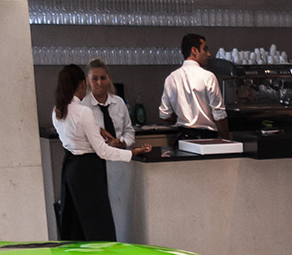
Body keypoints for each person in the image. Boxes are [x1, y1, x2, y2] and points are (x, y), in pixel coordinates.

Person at [52, 63, 148, 241]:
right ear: (83, 83)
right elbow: (102, 151)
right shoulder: (83, 111)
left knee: (76, 226)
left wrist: (98, 129)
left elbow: (77, 132)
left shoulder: (58, 110)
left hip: (71, 168)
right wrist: (132, 153)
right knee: (99, 227)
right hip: (89, 170)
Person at [158, 33, 229, 139]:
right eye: (205, 49)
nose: (209, 54)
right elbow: (219, 115)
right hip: (206, 138)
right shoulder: (208, 76)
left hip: (182, 137)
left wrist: (183, 115)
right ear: (194, 51)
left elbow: (164, 115)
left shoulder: (171, 78)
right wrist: (226, 139)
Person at [81, 58, 135, 149]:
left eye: (103, 78)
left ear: (108, 78)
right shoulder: (83, 106)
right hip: (95, 158)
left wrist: (123, 142)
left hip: (120, 156)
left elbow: (129, 131)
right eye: (95, 79)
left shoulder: (119, 102)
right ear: (87, 81)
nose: (99, 82)